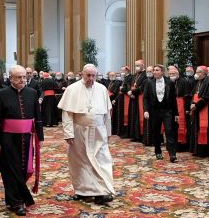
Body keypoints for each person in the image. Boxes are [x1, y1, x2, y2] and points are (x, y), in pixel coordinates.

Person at [0, 65, 43, 215]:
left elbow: (37, 118)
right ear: (10, 78)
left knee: (24, 169)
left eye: (24, 77)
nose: (22, 80)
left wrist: (40, 137)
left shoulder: (32, 93)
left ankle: (13, 198)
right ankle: (17, 202)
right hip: (8, 139)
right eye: (19, 77)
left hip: (27, 137)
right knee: (10, 170)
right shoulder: (1, 94)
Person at [58, 64, 115, 204]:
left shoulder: (101, 89)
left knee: (101, 159)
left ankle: (103, 191)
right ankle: (82, 191)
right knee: (80, 161)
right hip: (79, 130)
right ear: (82, 74)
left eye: (93, 75)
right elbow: (67, 114)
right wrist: (68, 133)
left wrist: (108, 132)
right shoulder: (72, 89)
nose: (91, 78)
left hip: (98, 131)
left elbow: (107, 114)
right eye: (88, 75)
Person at [143, 64, 178, 162]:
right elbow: (145, 98)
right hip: (155, 111)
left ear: (162, 72)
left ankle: (172, 154)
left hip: (167, 111)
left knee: (169, 131)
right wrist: (146, 110)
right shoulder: (149, 83)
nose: (154, 72)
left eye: (157, 70)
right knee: (156, 133)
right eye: (153, 70)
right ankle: (158, 152)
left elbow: (173, 99)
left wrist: (176, 114)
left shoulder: (170, 82)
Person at [189, 67, 209, 158]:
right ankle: (198, 150)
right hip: (198, 108)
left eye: (199, 72)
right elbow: (194, 95)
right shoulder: (198, 82)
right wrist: (192, 103)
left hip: (207, 108)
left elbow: (207, 97)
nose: (197, 74)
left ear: (204, 73)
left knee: (206, 129)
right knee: (197, 129)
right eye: (196, 72)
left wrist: (196, 106)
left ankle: (206, 152)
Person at [169, 65, 191, 150]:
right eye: (170, 74)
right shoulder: (168, 82)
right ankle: (171, 144)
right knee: (171, 125)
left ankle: (181, 144)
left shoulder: (183, 81)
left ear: (177, 73)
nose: (171, 75)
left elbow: (187, 96)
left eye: (173, 73)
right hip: (171, 105)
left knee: (181, 124)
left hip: (181, 105)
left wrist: (187, 108)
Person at [128, 59, 147, 143]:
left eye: (138, 65)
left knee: (139, 116)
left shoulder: (145, 74)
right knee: (134, 116)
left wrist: (132, 92)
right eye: (136, 65)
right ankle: (135, 135)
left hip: (140, 97)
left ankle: (140, 135)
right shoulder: (135, 75)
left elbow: (142, 87)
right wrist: (130, 92)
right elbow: (130, 84)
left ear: (143, 65)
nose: (137, 67)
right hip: (133, 98)